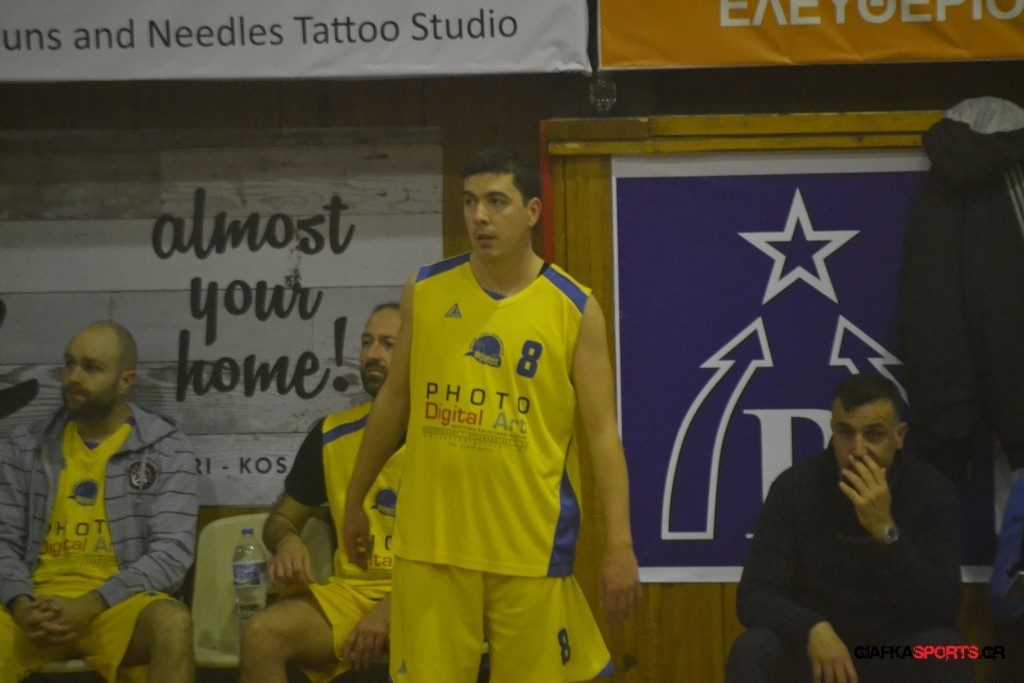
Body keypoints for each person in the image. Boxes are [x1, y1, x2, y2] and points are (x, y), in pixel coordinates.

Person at [341, 147, 642, 682]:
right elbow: (393, 402)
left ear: (532, 211)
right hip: (432, 543)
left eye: (496, 202)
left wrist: (619, 543)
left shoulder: (574, 308)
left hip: (528, 546)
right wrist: (354, 499)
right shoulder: (426, 290)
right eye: (470, 202)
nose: (479, 216)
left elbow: (602, 434)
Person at [727, 373, 970, 683]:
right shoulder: (794, 488)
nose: (858, 450)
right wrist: (811, 627)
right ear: (832, 430)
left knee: (946, 649)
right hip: (817, 648)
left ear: (899, 436)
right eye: (846, 432)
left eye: (873, 434)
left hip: (892, 648)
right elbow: (754, 594)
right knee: (754, 647)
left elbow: (941, 606)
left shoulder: (931, 491)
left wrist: (885, 531)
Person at [0, 320, 198, 682]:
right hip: (35, 607)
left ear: (126, 381)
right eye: (69, 364)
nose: (73, 377)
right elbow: (3, 541)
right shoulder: (25, 445)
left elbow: (172, 553)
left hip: (115, 605)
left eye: (91, 368)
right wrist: (22, 604)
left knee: (173, 623)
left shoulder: (168, 449)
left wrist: (90, 604)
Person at [240, 303, 402, 683]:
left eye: (388, 344)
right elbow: (280, 519)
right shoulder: (331, 433)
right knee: (261, 634)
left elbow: (465, 554)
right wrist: (288, 541)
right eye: (366, 342)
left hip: (429, 597)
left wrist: (390, 611)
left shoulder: (445, 436)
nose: (372, 354)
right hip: (353, 594)